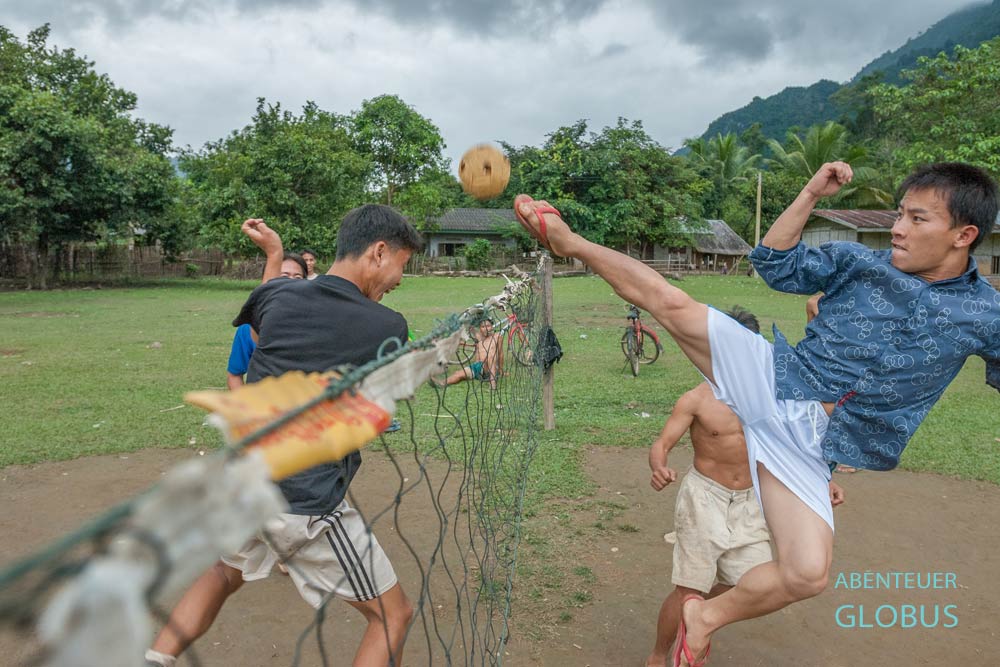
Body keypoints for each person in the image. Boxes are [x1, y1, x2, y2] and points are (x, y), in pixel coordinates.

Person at [511, 160, 999, 666]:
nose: (897, 229)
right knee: (671, 303)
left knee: (806, 574)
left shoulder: (988, 314)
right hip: (774, 379)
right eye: (900, 214)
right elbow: (774, 261)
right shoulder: (860, 262)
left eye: (917, 220)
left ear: (963, 235)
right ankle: (571, 242)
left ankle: (704, 618)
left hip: (814, 446)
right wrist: (811, 191)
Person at [146, 205, 423, 667]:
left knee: (222, 571)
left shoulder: (279, 295)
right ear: (378, 252)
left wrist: (274, 255)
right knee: (393, 617)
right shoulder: (387, 326)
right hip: (302, 502)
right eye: (401, 265)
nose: (399, 279)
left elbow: (263, 322)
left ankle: (154, 659)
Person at [644, 306, 844, 667]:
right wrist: (659, 466)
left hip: (754, 500)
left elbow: (801, 442)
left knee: (750, 584)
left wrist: (825, 481)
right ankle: (659, 656)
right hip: (704, 498)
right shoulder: (697, 400)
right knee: (690, 588)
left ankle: (700, 622)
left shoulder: (777, 397)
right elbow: (662, 444)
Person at [225, 251, 308, 391]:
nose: (290, 281)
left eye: (297, 277)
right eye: (284, 276)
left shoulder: (316, 322)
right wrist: (247, 409)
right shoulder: (249, 328)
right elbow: (234, 376)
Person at [436, 318, 502, 390]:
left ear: (492, 326)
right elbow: (469, 325)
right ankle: (442, 383)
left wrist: (501, 370)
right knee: (458, 375)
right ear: (480, 328)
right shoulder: (478, 337)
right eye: (483, 327)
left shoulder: (497, 336)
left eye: (488, 326)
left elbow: (501, 354)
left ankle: (493, 385)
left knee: (490, 356)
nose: (486, 328)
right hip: (478, 368)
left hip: (490, 369)